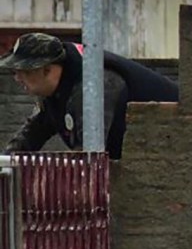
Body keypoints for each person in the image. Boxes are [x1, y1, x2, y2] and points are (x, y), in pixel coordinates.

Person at [2, 32, 179, 161]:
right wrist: (5, 163)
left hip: (174, 153)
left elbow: (88, 156)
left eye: (23, 71)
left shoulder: (93, 84)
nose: (17, 78)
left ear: (47, 69)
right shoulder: (55, 92)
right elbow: (29, 136)